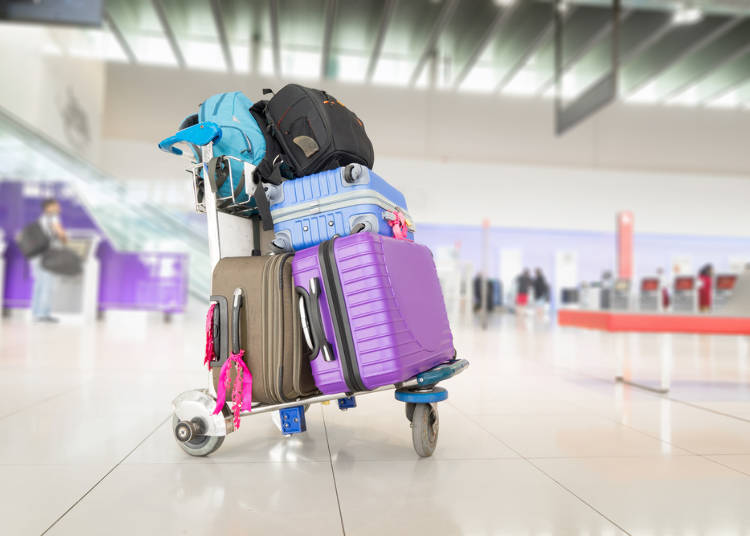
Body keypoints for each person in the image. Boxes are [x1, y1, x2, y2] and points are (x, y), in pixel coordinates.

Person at [30, 198, 67, 322]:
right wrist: (65, 241)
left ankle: (36, 312)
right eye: (56, 205)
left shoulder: (42, 219)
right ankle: (43, 314)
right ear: (48, 207)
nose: (59, 207)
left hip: (37, 254)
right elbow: (61, 234)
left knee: (39, 284)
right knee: (47, 284)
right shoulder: (53, 217)